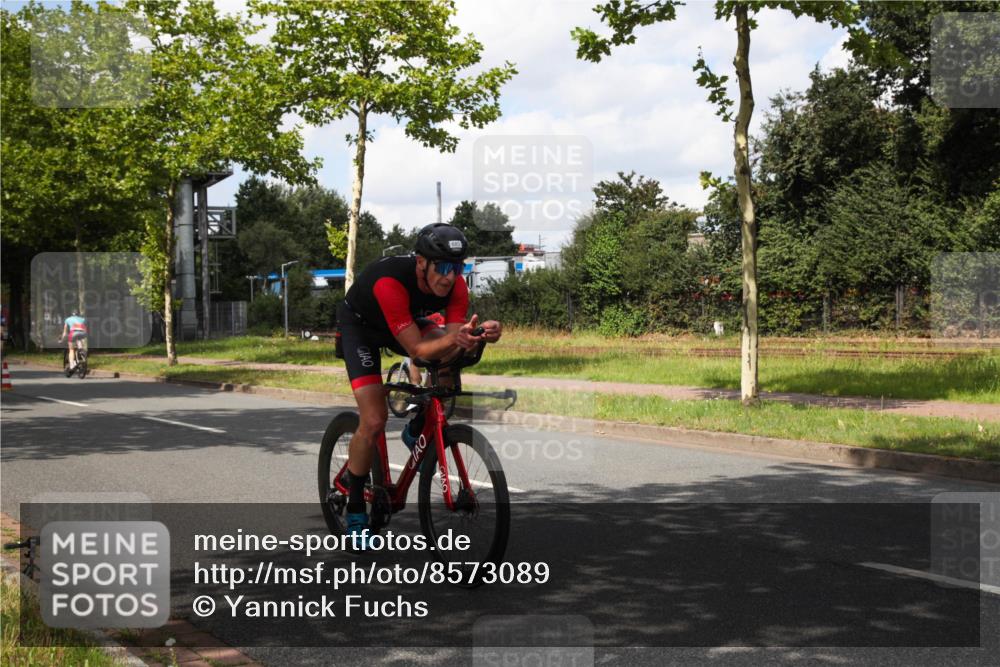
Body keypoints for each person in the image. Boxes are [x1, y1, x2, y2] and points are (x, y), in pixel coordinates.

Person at [337, 223, 502, 547]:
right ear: (420, 263)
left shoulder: (456, 287)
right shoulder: (390, 283)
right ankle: (355, 505)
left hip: (405, 323)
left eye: (456, 268)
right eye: (441, 267)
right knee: (373, 420)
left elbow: (452, 343)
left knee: (448, 355)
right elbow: (416, 350)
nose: (448, 276)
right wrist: (454, 340)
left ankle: (418, 427)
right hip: (362, 329)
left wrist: (476, 335)